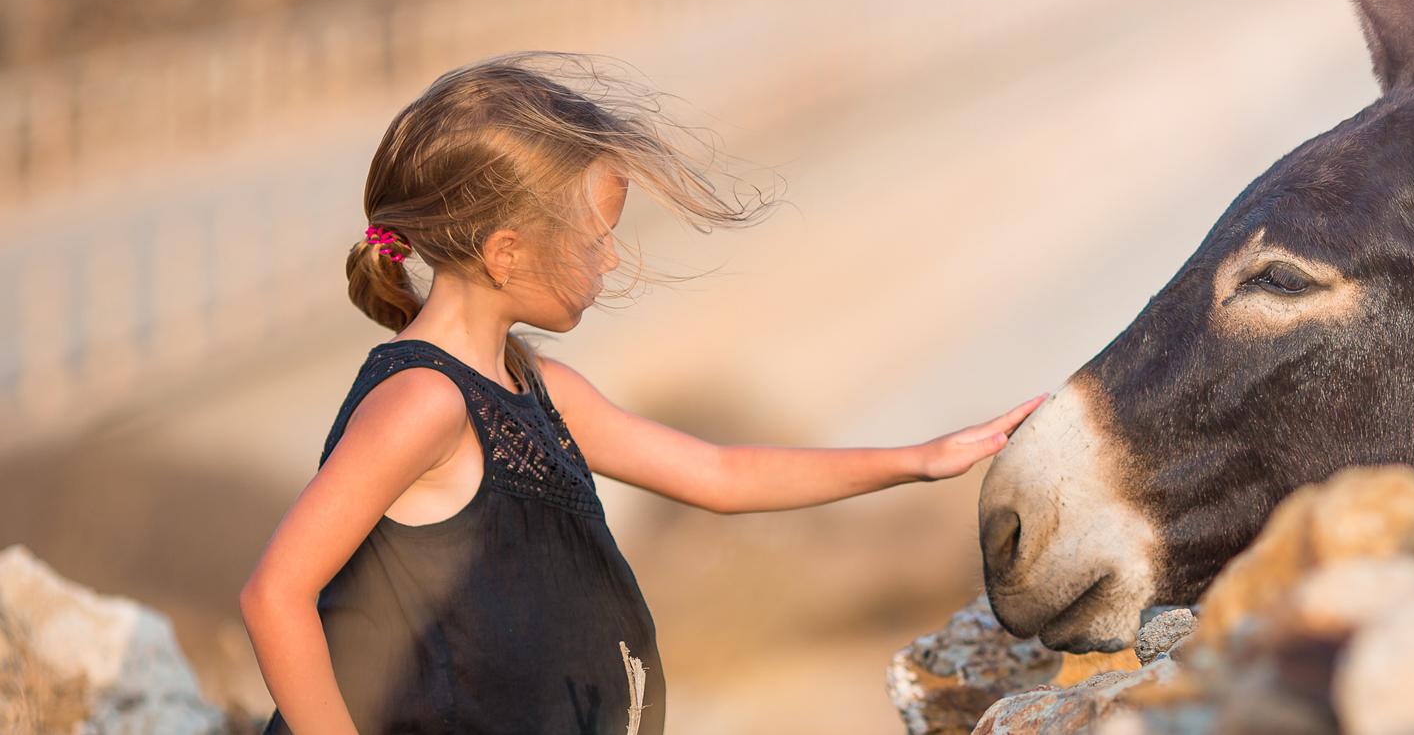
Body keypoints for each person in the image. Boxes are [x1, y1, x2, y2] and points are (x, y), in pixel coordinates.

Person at [239, 51, 1046, 734]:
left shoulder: (538, 387)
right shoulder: (423, 402)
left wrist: (919, 459)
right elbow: (277, 594)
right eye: (596, 239)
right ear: (508, 253)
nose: (613, 262)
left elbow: (720, 477)